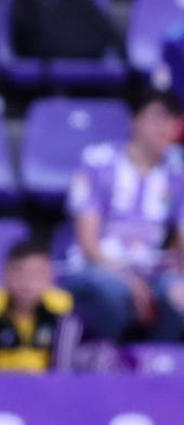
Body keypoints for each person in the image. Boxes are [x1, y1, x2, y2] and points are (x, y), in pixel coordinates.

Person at [64, 88, 184, 343]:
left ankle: (155, 367)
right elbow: (88, 244)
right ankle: (104, 362)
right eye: (157, 117)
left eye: (172, 120)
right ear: (135, 120)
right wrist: (128, 278)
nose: (165, 127)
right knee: (112, 292)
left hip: (152, 269)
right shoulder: (99, 162)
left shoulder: (177, 171)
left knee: (179, 295)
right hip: (98, 265)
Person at [0, 239, 80, 372]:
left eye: (36, 275)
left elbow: (66, 364)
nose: (27, 283)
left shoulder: (64, 312)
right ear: (4, 274)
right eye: (19, 273)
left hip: (48, 388)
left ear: (50, 276)